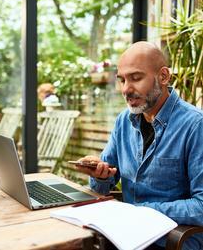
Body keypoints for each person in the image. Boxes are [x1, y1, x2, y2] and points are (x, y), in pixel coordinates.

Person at [76, 41, 203, 250]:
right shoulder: (123, 121)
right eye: (122, 80)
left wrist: (141, 210)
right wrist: (100, 175)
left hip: (171, 240)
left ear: (163, 76)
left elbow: (201, 206)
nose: (126, 89)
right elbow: (104, 182)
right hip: (126, 234)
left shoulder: (196, 125)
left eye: (136, 78)